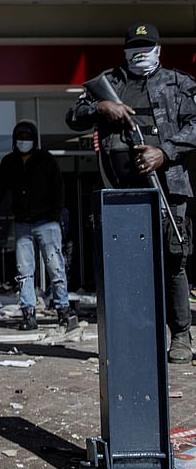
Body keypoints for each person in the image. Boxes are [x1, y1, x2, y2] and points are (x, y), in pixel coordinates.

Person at [67, 23, 196, 364]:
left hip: (167, 188)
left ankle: (181, 334)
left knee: (173, 261)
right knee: (126, 266)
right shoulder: (111, 82)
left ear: (158, 48)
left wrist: (164, 152)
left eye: (147, 45)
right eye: (134, 46)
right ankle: (136, 338)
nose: (141, 52)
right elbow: (73, 116)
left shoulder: (179, 83)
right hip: (121, 192)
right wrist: (100, 107)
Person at [0, 121, 75, 332]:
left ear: (34, 140)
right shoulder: (10, 162)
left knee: (55, 267)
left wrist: (55, 214)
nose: (23, 141)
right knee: (25, 271)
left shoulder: (45, 160)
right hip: (23, 224)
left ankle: (63, 309)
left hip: (47, 222)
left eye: (27, 137)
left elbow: (58, 187)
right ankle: (29, 313)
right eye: (20, 137)